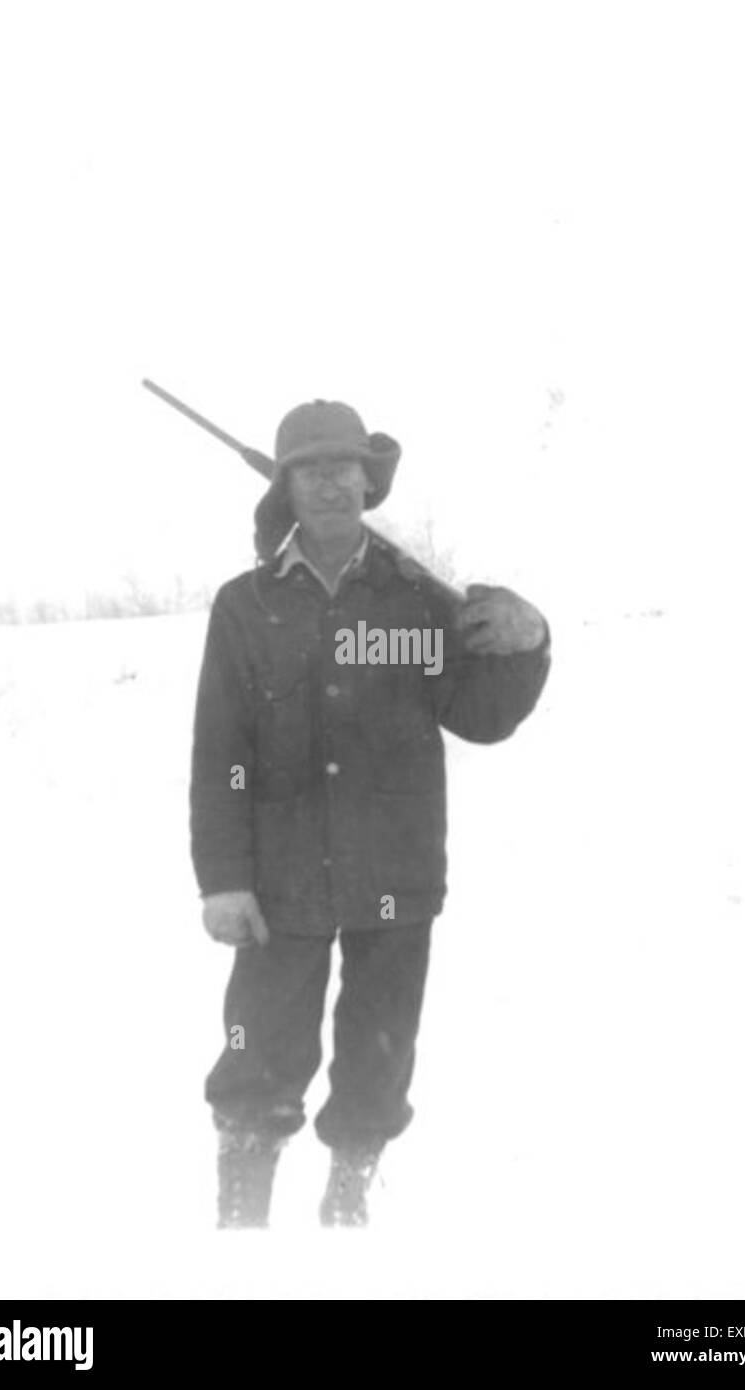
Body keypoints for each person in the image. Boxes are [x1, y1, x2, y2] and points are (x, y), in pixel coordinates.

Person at [190, 399, 552, 1228]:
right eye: (311, 468)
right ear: (286, 487)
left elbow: (482, 714)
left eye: (343, 465)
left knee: (380, 1058)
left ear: (367, 480)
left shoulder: (416, 607)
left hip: (395, 876)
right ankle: (238, 1224)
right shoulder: (247, 609)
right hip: (281, 884)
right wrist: (224, 881)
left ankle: (348, 1203)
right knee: (256, 1049)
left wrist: (530, 640)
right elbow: (221, 760)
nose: (330, 482)